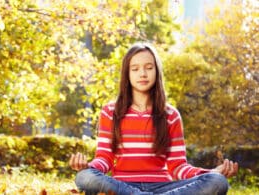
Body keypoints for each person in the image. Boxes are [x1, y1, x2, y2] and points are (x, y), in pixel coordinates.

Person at [69, 43, 238, 195]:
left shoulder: (170, 115)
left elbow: (178, 167)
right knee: (85, 177)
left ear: (156, 71)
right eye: (135, 69)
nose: (142, 74)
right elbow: (104, 158)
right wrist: (88, 167)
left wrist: (211, 173)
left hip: (162, 187)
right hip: (121, 186)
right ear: (127, 74)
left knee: (218, 182)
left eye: (148, 67)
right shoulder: (110, 111)